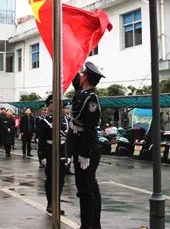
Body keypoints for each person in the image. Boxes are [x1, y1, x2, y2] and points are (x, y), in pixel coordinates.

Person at [70, 62, 104, 229]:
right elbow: (74, 78)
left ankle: (88, 225)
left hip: (87, 149)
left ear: (86, 78)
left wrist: (84, 153)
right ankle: (94, 225)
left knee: (86, 190)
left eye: (83, 74)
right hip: (79, 146)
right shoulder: (81, 93)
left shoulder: (91, 100)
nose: (80, 75)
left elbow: (90, 128)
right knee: (89, 188)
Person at [38, 94, 69, 214]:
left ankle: (57, 203)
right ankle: (50, 203)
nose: (55, 106)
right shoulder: (45, 120)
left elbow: (67, 139)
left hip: (62, 151)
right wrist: (42, 156)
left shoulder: (64, 119)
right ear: (49, 106)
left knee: (61, 179)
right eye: (53, 104)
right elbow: (41, 140)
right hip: (50, 151)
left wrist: (68, 156)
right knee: (50, 179)